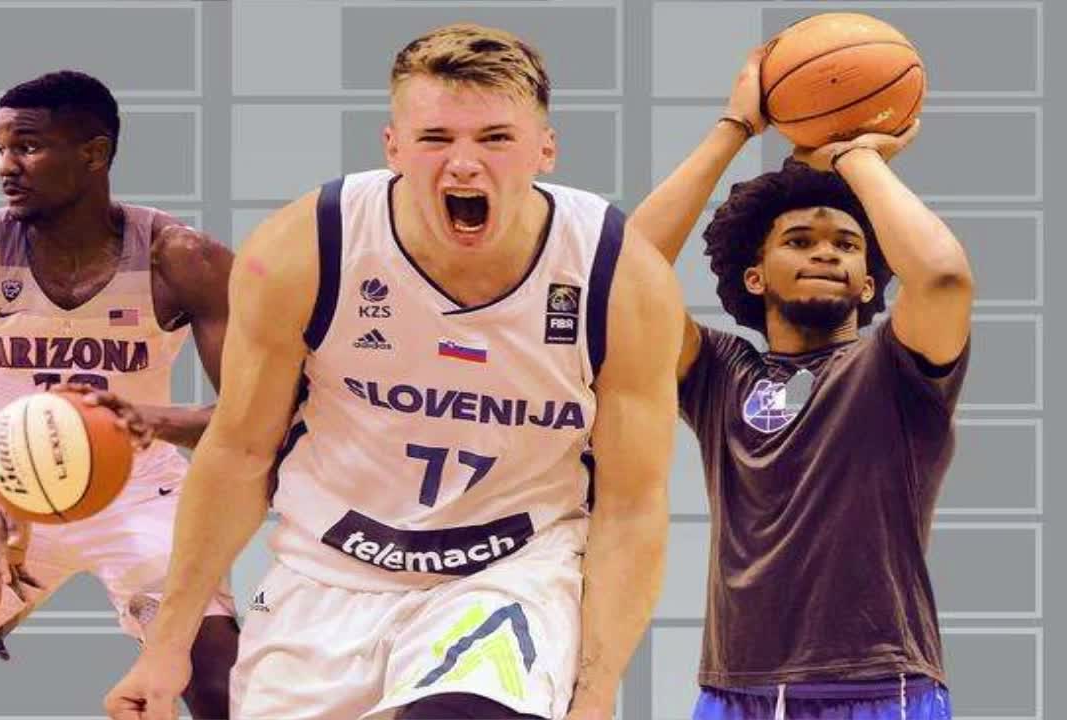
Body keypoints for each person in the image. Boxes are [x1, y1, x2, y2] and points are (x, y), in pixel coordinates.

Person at [104, 23, 683, 720]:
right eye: (436, 138)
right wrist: (166, 648)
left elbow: (631, 505)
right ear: (393, 147)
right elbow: (239, 453)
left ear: (546, 149)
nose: (464, 164)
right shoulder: (305, 247)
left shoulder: (619, 277)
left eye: (495, 138)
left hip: (511, 570)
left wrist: (595, 693)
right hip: (326, 572)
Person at [0, 70, 239, 719]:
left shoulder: (183, 258)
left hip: (143, 497)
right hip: (4, 494)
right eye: (0, 148)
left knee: (223, 688)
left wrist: (150, 420)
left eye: (27, 147)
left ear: (94, 153)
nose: (7, 166)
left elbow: (253, 416)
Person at [629, 48, 973, 718]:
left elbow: (942, 277)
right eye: (799, 240)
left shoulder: (896, 369)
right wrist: (733, 128)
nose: (825, 251)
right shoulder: (721, 374)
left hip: (882, 686)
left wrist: (855, 157)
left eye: (847, 245)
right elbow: (623, 271)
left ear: (868, 283)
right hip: (736, 690)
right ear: (754, 276)